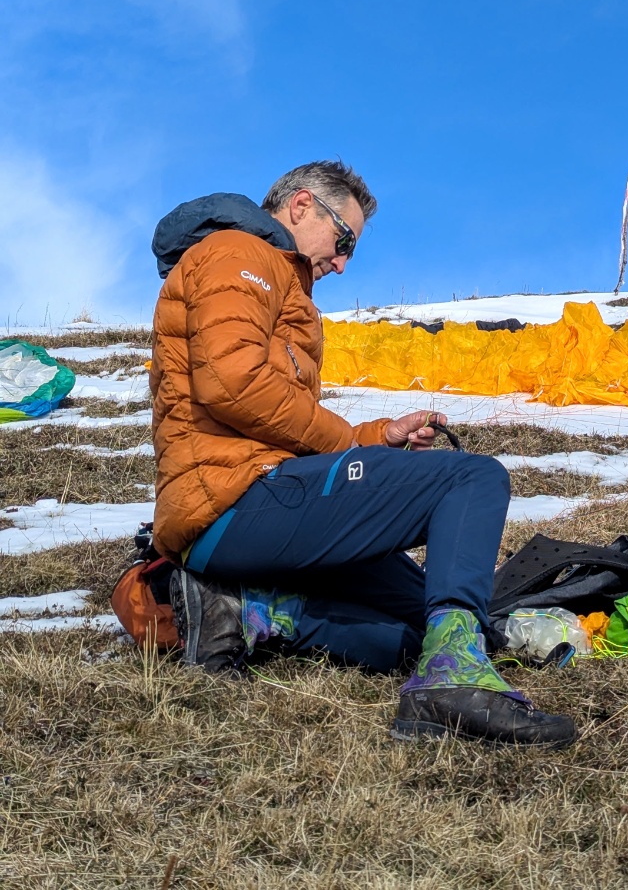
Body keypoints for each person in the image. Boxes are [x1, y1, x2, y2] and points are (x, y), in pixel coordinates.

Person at [149, 159, 574, 747]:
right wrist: (351, 443)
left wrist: (379, 439)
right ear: (301, 207)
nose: (343, 261)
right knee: (471, 480)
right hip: (233, 502)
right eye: (342, 238)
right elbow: (233, 384)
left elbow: (273, 419)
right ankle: (447, 685)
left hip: (252, 508)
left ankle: (256, 611)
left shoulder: (278, 278)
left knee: (426, 621)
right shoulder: (238, 253)